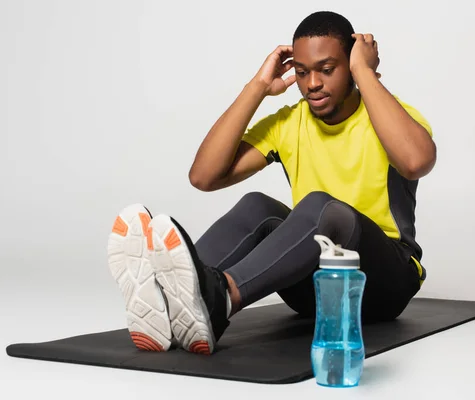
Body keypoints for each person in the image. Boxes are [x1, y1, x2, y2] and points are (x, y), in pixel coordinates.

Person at [106, 11, 436, 355]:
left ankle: (223, 298)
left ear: (351, 64)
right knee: (257, 206)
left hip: (381, 286)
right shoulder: (289, 123)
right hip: (314, 287)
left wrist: (364, 73)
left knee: (324, 208)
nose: (312, 84)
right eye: (303, 72)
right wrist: (258, 87)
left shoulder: (390, 115)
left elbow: (415, 162)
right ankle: (168, 299)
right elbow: (204, 176)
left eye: (327, 70)